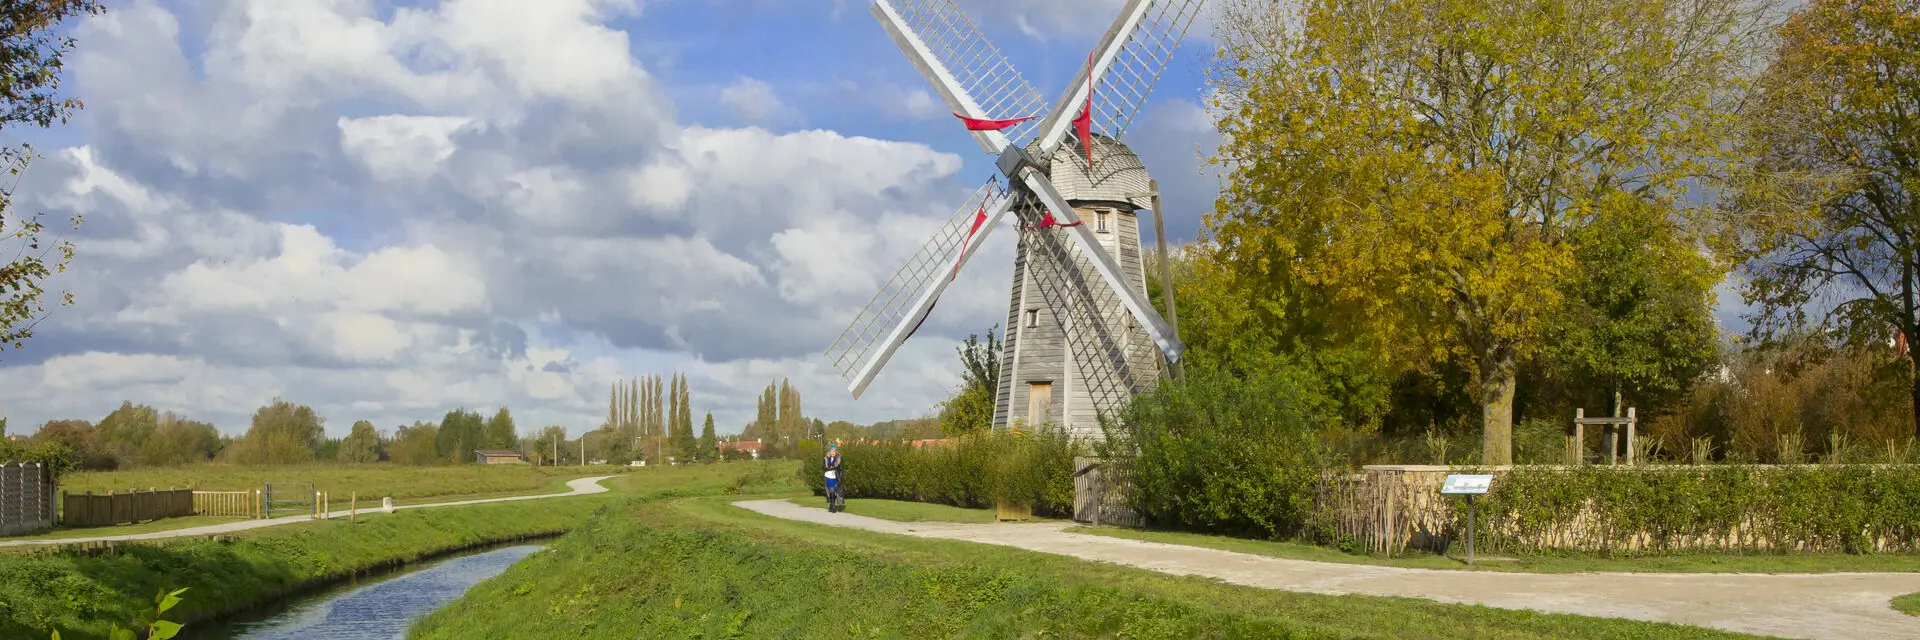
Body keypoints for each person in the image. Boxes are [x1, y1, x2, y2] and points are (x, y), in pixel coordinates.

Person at [823, 442, 844, 513]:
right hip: (828, 476)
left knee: (834, 492)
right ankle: (833, 506)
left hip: (835, 477)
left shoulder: (839, 459)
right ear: (829, 451)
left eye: (835, 450)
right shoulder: (826, 459)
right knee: (831, 491)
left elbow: (841, 469)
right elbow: (823, 468)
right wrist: (829, 469)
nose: (833, 452)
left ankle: (831, 505)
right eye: (832, 450)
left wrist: (840, 477)